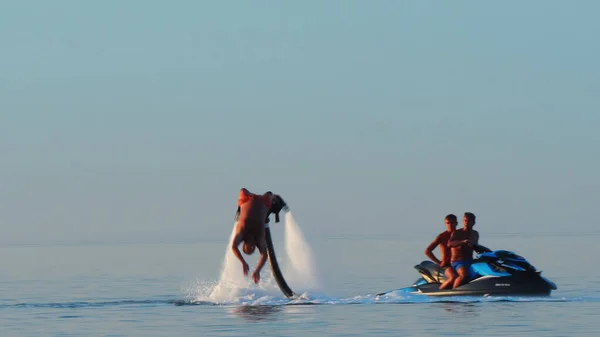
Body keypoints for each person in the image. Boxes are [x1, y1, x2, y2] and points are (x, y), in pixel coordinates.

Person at [231, 188, 286, 284]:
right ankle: (275, 199)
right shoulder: (258, 236)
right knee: (270, 195)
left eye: (249, 246)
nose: (252, 245)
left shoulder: (241, 231)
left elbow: (233, 247)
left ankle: (240, 209)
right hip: (264, 203)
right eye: (253, 248)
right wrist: (257, 270)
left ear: (244, 243)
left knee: (242, 190)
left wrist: (243, 262)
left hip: (246, 199)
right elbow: (264, 255)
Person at [424, 214, 458, 289]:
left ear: (456, 223)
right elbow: (427, 251)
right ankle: (440, 291)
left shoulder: (461, 234)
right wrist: (439, 262)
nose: (450, 225)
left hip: (458, 262)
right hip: (447, 265)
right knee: (453, 277)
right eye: (448, 223)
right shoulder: (442, 236)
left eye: (452, 223)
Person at [448, 212, 479, 289]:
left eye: (469, 221)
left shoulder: (475, 234)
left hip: (470, 260)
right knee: (464, 274)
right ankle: (453, 292)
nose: (466, 223)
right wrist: (462, 242)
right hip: (457, 262)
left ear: (473, 223)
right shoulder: (457, 233)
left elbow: (476, 246)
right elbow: (450, 244)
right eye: (465, 220)